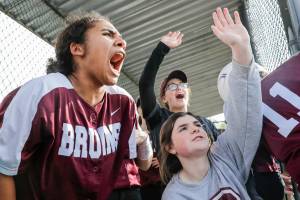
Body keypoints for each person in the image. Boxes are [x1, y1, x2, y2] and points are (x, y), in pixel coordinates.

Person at [0, 13, 152, 200]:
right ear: (77, 48)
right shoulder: (39, 93)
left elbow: (141, 165)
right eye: (108, 34)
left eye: (121, 37)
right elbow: (3, 169)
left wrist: (143, 140)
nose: (122, 42)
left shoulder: (123, 100)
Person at [159, 7, 262, 200]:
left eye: (198, 125)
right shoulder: (174, 196)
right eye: (183, 129)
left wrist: (241, 50)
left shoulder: (226, 157)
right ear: (170, 148)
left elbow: (244, 114)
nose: (196, 129)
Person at [136, 97, 164, 200]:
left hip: (166, 181)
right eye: (142, 116)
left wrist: (164, 159)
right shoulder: (136, 136)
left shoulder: (165, 130)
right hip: (146, 188)